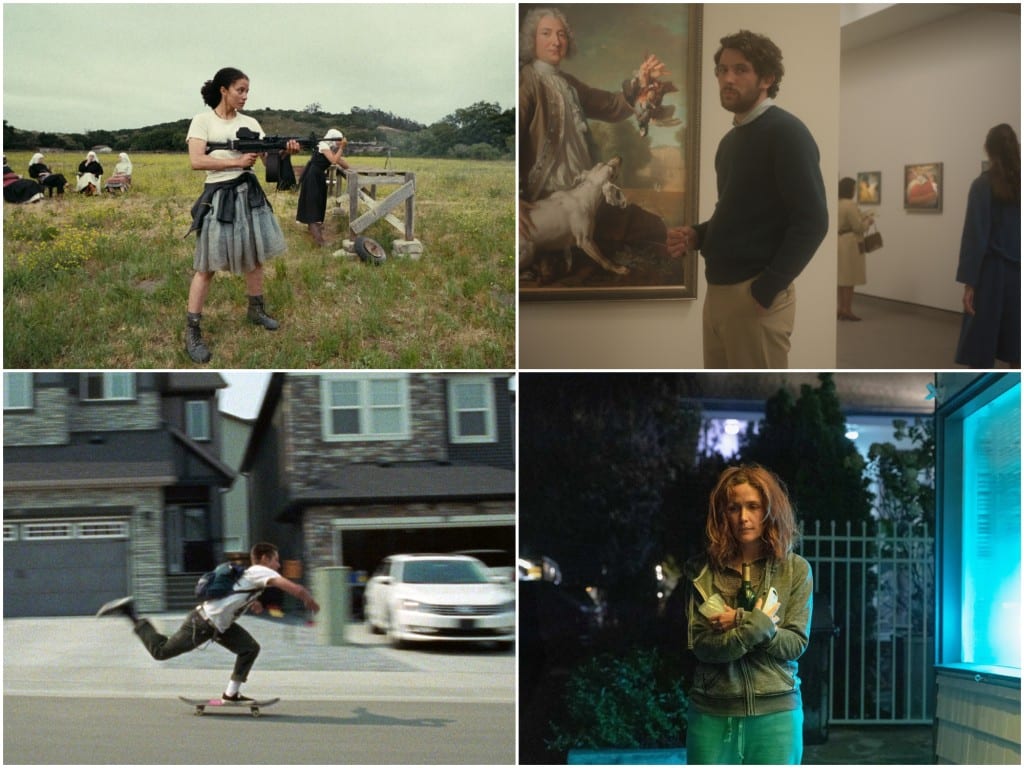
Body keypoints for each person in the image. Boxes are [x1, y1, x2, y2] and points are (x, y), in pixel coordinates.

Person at [667, 30, 828, 368]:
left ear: (767, 78)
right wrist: (698, 234)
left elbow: (813, 221)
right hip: (719, 294)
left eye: (740, 70)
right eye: (722, 70)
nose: (728, 78)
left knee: (759, 404)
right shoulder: (729, 142)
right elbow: (738, 214)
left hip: (755, 297)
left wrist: (768, 287)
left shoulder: (787, 133)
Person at [518, 7, 670, 280]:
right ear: (531, 40)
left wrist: (641, 83)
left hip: (584, 194)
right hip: (546, 200)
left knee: (651, 228)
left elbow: (612, 106)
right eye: (547, 33)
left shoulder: (568, 82)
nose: (556, 41)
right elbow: (511, 136)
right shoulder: (525, 80)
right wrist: (513, 200)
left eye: (562, 34)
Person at [684, 464, 812, 765]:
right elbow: (702, 646)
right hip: (712, 714)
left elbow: (794, 644)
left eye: (753, 506)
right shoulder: (702, 571)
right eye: (734, 508)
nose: (744, 517)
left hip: (777, 714)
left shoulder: (796, 570)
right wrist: (759, 626)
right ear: (722, 514)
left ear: (770, 509)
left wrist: (737, 620)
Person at [96, 542, 320, 702]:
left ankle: (231, 694)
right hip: (203, 623)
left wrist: (253, 604)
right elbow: (292, 587)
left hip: (219, 626)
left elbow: (236, 594)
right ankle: (130, 613)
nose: (279, 565)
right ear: (263, 559)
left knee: (249, 648)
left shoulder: (253, 577)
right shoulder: (260, 571)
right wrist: (306, 597)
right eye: (276, 560)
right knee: (161, 651)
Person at [183, 66, 300, 364]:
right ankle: (193, 330)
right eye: (240, 90)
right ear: (224, 90)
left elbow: (265, 160)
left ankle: (256, 309)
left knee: (256, 257)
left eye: (247, 90)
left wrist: (284, 152)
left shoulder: (250, 122)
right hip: (219, 196)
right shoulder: (202, 121)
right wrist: (234, 163)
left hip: (249, 194)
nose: (245, 96)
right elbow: (197, 161)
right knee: (206, 266)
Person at [955, 123, 1020, 368]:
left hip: (991, 274)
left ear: (988, 150)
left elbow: (975, 236)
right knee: (1017, 347)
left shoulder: (982, 186)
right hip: (1019, 273)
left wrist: (969, 283)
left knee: (981, 347)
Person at [296, 128, 349, 246]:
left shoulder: (330, 150)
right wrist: (341, 148)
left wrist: (340, 151)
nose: (340, 142)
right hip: (313, 177)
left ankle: (316, 231)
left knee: (318, 204)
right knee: (312, 206)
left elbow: (345, 165)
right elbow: (334, 161)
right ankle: (319, 241)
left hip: (318, 177)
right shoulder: (323, 145)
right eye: (338, 140)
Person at [836, 177, 873, 321]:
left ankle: (840, 308)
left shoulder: (837, 203)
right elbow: (858, 227)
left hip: (839, 242)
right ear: (850, 189)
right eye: (854, 188)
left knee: (841, 279)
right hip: (850, 245)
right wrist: (868, 222)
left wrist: (861, 216)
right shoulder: (850, 205)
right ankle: (847, 309)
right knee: (850, 280)